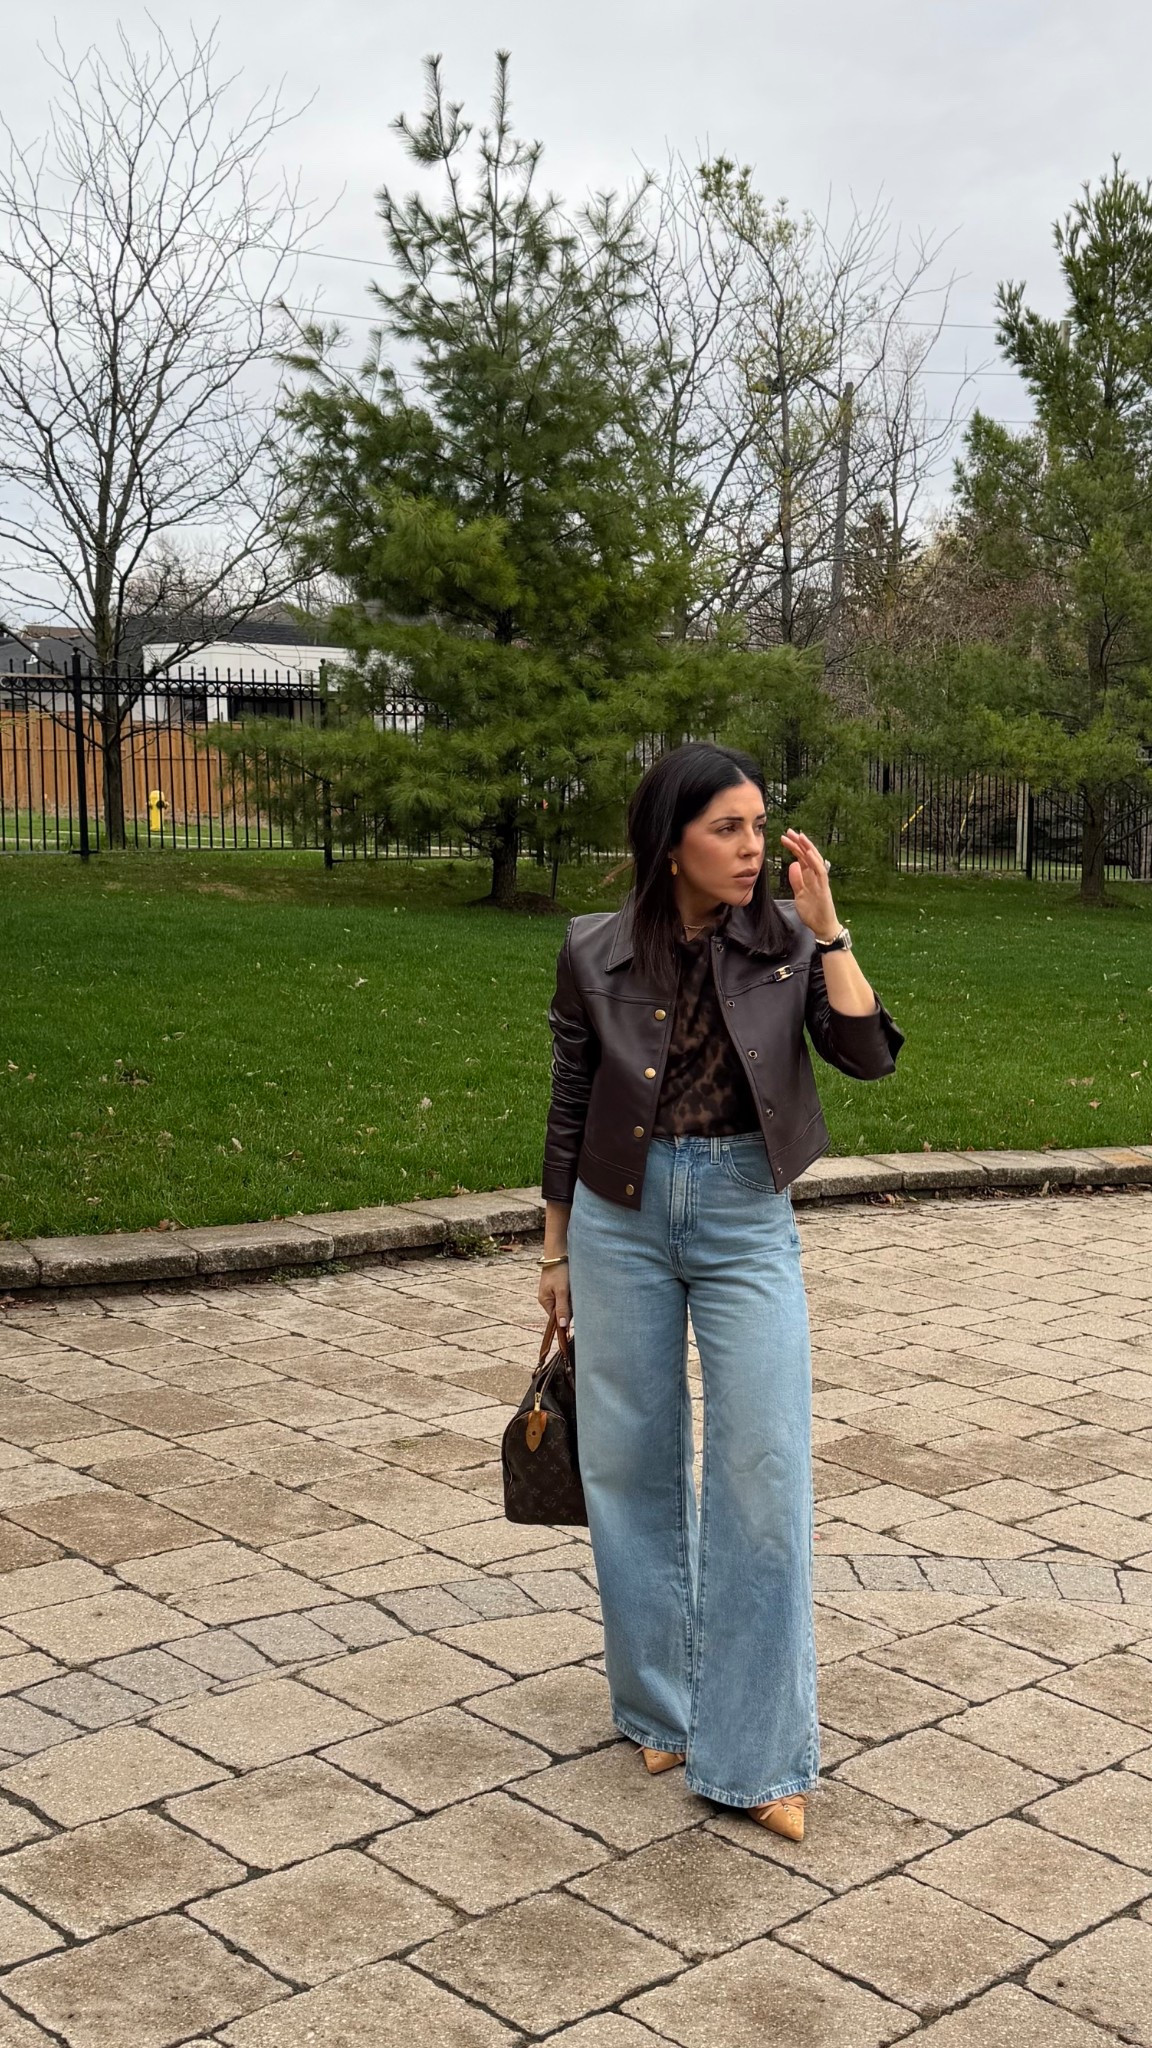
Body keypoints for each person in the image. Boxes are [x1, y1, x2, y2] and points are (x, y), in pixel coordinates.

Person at [537, 742, 905, 1840]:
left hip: (747, 1209)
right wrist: (552, 1252)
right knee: (630, 1458)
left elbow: (869, 1054)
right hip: (618, 1215)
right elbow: (568, 1094)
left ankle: (757, 1754)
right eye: (728, 829)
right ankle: (658, 1702)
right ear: (671, 842)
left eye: (759, 824)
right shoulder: (593, 948)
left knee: (763, 1468)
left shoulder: (788, 939)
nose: (753, 847)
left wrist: (829, 923)